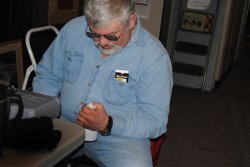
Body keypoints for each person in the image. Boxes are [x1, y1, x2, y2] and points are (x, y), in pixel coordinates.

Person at [32, 0, 173, 166]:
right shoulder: (73, 29)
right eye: (94, 34)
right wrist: (46, 114)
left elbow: (155, 121)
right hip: (63, 124)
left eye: (112, 35)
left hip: (119, 140)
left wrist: (108, 123)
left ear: (131, 21)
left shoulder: (154, 58)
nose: (102, 43)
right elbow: (47, 75)